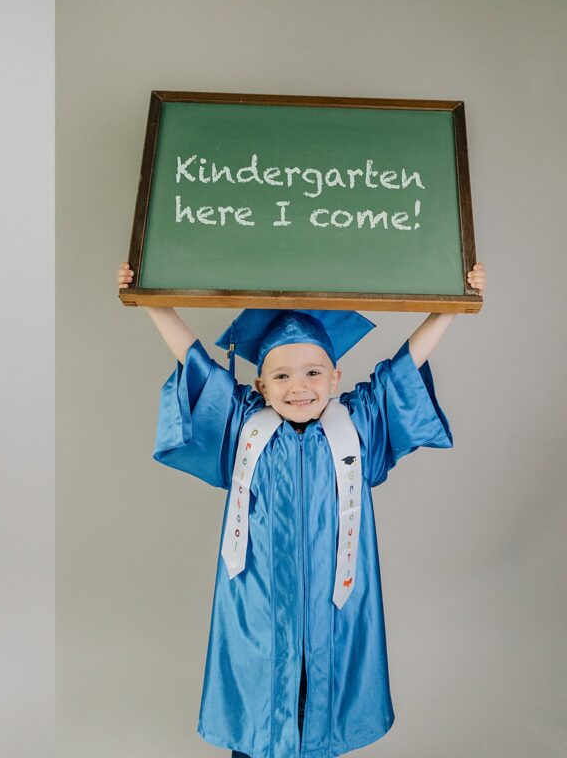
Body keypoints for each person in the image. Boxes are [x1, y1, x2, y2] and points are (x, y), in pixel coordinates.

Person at [115, 262, 485, 757]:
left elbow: (403, 367)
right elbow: (195, 360)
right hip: (258, 605)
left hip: (336, 607)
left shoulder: (358, 427)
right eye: (282, 375)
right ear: (262, 386)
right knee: (259, 712)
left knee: (322, 710)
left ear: (335, 377)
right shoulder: (245, 428)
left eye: (313, 372)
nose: (299, 386)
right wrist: (150, 298)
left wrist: (453, 303)